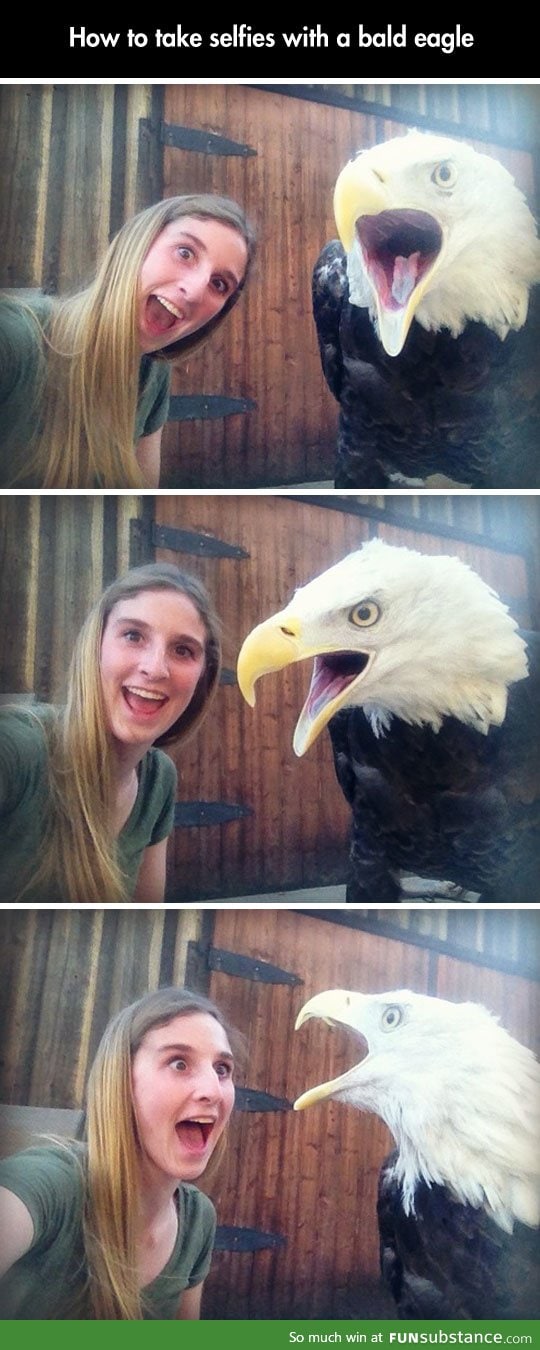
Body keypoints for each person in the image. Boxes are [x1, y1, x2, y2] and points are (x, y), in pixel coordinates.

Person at [0, 986, 238, 1319]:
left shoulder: (198, 1219)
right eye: (179, 1063)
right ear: (122, 1081)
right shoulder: (53, 1187)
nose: (214, 1090)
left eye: (222, 1069)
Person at [0, 562, 221, 904]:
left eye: (183, 650)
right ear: (96, 644)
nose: (155, 667)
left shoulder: (158, 780)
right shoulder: (17, 749)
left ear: (203, 677)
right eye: (133, 635)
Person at [0, 193, 256, 488]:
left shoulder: (152, 373)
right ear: (138, 243)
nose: (197, 290)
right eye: (185, 253)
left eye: (219, 284)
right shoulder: (14, 340)